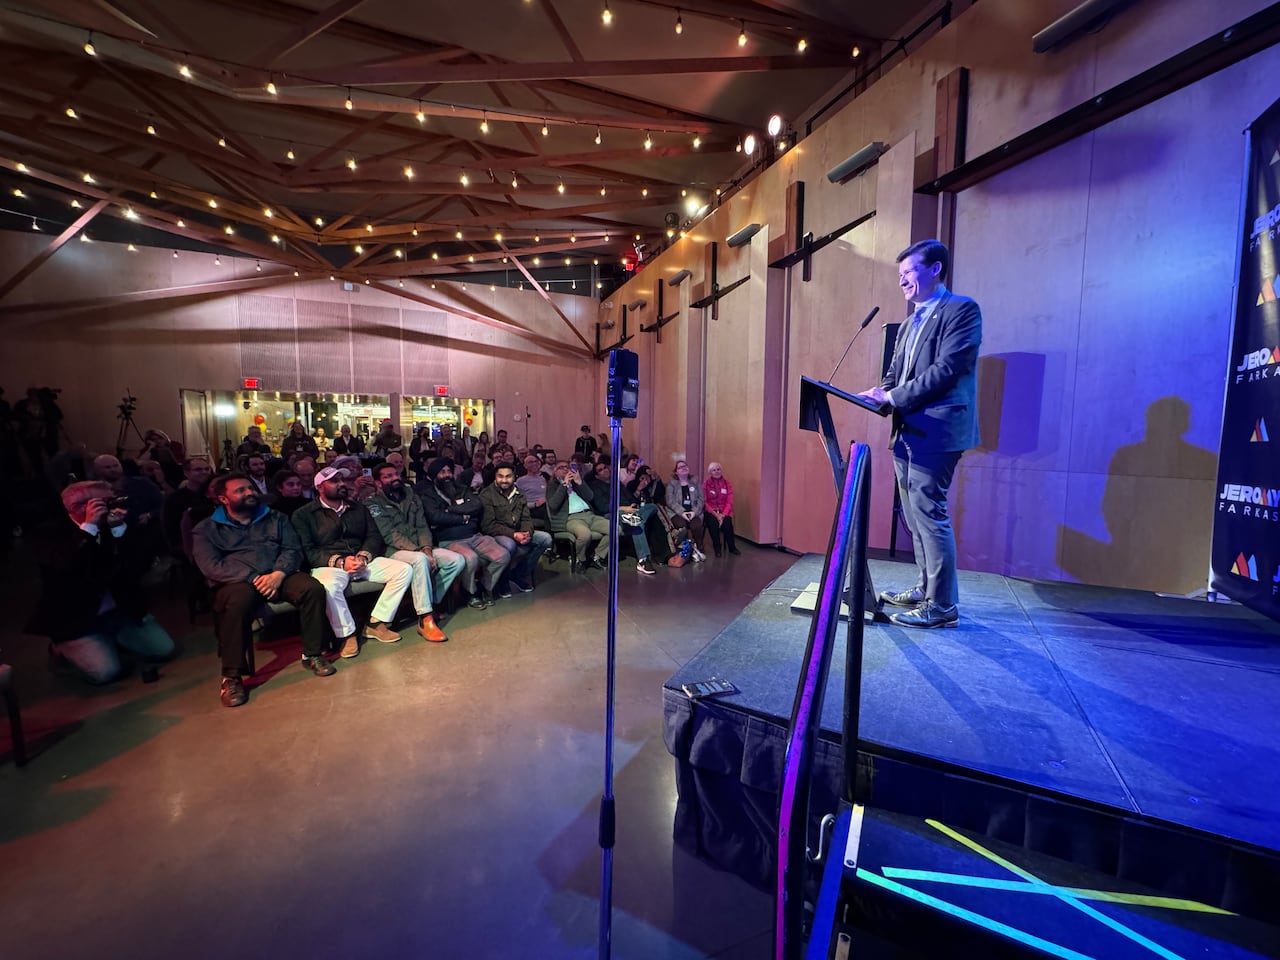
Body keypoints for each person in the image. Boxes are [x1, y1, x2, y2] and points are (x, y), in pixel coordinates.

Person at [857, 238, 982, 629]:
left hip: (939, 431)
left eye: (908, 272)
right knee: (913, 517)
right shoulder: (909, 323)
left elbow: (946, 371)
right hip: (907, 430)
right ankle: (927, 588)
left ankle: (942, 606)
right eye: (900, 275)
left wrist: (892, 396)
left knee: (930, 512)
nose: (903, 281)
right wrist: (880, 394)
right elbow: (895, 374)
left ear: (935, 269)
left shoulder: (962, 311)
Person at [192, 473, 335, 707]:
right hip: (236, 582)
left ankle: (313, 654)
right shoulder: (207, 529)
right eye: (239, 490)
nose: (249, 493)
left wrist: (278, 574)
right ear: (223, 498)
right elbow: (212, 567)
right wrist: (254, 577)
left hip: (279, 574)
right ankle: (232, 676)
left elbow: (292, 548)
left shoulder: (275, 518)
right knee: (236, 603)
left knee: (312, 589)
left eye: (250, 488)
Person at [27, 481, 176, 684]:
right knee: (107, 672)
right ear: (80, 507)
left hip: (119, 610)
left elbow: (138, 565)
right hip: (79, 620)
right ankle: (60, 650)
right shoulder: (49, 533)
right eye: (104, 501)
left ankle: (115, 641)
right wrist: (89, 528)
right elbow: (64, 565)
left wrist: (119, 531)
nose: (112, 505)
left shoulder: (111, 525)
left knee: (163, 650)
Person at [290, 466, 414, 658]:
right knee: (329, 585)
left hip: (360, 559)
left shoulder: (357, 508)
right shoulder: (304, 514)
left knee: (403, 570)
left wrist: (363, 556)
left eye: (342, 480)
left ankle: (376, 622)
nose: (341, 484)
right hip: (329, 565)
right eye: (334, 481)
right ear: (320, 487)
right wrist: (340, 562)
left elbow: (373, 536)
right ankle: (347, 634)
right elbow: (308, 551)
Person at [365, 462, 463, 641]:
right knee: (420, 561)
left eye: (395, 474)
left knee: (456, 560)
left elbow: (422, 525)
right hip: (393, 551)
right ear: (378, 483)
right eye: (388, 476)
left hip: (420, 548)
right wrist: (420, 552)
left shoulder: (411, 495)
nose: (394, 478)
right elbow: (389, 534)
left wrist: (426, 548)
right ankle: (425, 619)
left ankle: (430, 602)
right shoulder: (373, 503)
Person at [419, 457, 509, 608]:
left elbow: (476, 505)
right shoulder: (428, 495)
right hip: (449, 540)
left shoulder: (461, 488)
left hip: (474, 536)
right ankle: (471, 593)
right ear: (435, 476)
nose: (447, 475)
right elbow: (435, 517)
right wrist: (463, 518)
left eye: (449, 471)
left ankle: (485, 587)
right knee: (470, 558)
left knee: (502, 556)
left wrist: (450, 511)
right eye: (442, 472)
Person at [480, 464, 551, 596]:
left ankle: (518, 574)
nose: (504, 480)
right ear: (495, 477)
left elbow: (526, 518)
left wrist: (527, 532)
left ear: (514, 477)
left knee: (545, 539)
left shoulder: (520, 493)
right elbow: (488, 526)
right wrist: (513, 534)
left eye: (508, 476)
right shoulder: (487, 495)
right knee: (510, 545)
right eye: (500, 476)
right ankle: (503, 580)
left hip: (518, 531)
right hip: (497, 533)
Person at [547, 460, 609, 569]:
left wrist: (580, 482)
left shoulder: (576, 483)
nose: (566, 469)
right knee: (585, 535)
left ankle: (597, 556)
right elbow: (553, 505)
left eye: (567, 467)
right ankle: (581, 559)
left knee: (615, 529)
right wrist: (564, 484)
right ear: (555, 471)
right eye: (561, 467)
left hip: (590, 515)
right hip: (572, 518)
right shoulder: (553, 485)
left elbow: (590, 497)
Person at [665, 459, 707, 562]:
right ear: (676, 472)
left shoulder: (695, 482)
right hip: (677, 512)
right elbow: (670, 501)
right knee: (681, 526)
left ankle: (699, 547)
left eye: (685, 466)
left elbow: (701, 499)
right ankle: (686, 551)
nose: (683, 468)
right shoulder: (672, 484)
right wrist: (682, 512)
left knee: (696, 525)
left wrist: (694, 512)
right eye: (680, 467)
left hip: (694, 512)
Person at [703, 462, 740, 557]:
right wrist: (716, 515)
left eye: (718, 469)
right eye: (714, 470)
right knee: (713, 524)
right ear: (710, 473)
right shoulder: (705, 484)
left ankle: (732, 547)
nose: (716, 472)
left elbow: (729, 502)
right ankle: (717, 548)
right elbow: (704, 502)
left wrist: (723, 515)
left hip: (724, 511)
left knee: (727, 524)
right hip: (711, 511)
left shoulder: (727, 484)